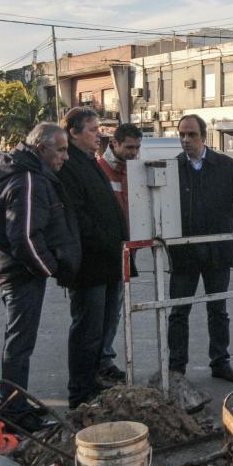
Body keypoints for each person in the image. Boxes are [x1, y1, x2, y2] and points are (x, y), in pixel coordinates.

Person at [0, 123, 80, 431]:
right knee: (19, 343)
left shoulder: (23, 172)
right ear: (41, 149)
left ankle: (15, 403)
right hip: (20, 273)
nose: (65, 157)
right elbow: (24, 237)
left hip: (14, 269)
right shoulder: (27, 179)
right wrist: (49, 268)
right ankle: (13, 411)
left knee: (19, 341)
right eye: (61, 150)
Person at [166, 114, 233, 383]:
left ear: (203, 136)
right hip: (183, 253)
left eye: (191, 135)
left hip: (217, 252)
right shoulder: (173, 168)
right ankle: (176, 369)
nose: (186, 140)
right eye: (182, 134)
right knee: (178, 312)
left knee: (218, 310)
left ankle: (220, 362)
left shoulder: (224, 165)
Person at [59, 107, 128, 409]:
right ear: (73, 132)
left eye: (99, 129)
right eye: (92, 129)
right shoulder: (68, 165)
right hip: (89, 264)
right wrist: (104, 240)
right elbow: (78, 217)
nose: (98, 135)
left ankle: (96, 378)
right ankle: (80, 392)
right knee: (87, 330)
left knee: (103, 327)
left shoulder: (90, 161)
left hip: (109, 261)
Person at [95, 122, 142, 386]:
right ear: (114, 144)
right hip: (105, 251)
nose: (134, 153)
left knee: (114, 310)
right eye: (129, 147)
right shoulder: (100, 170)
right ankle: (98, 363)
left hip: (126, 248)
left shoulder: (133, 170)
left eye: (137, 148)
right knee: (99, 311)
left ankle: (105, 360)